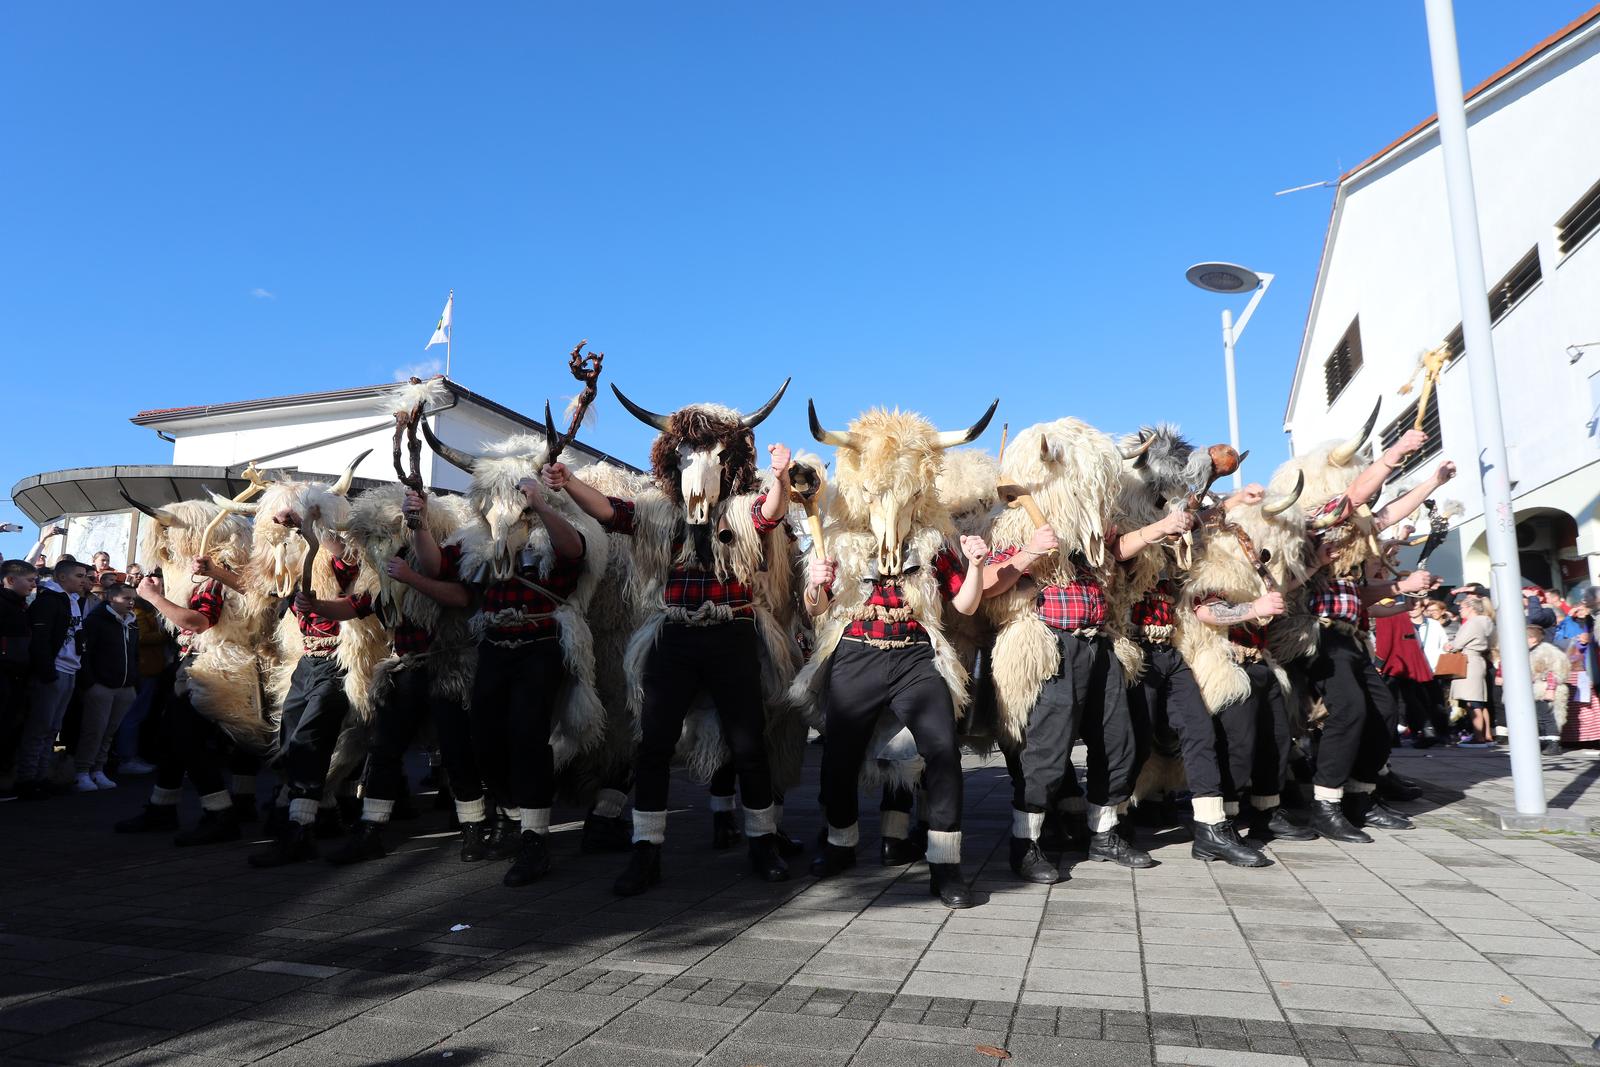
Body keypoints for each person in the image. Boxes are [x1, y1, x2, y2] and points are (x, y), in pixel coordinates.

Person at [16, 558, 91, 799]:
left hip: (69, 670)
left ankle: (41, 776)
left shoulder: (73, 601)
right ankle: (27, 779)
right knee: (39, 727)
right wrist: (46, 670)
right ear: (62, 578)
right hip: (53, 671)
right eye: (79, 576)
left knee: (52, 728)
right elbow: (40, 640)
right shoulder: (48, 601)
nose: (84, 580)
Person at [74, 582, 140, 790]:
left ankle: (98, 769)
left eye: (133, 599)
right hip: (101, 685)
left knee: (110, 731)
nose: (131, 603)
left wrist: (133, 681)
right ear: (111, 598)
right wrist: (91, 683)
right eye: (126, 598)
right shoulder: (96, 621)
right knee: (94, 730)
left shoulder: (132, 622)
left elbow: (134, 654)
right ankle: (82, 772)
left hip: (125, 686)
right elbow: (86, 653)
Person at [1, 559, 39, 798]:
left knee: (10, 728)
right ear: (11, 580)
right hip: (4, 675)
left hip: (16, 676)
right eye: (30, 580)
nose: (34, 586)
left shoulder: (21, 606)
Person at [1449, 595, 1495, 747]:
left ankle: (1478, 737)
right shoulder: (1487, 622)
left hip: (1468, 661)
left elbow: (1457, 644)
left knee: (1472, 702)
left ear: (1471, 608)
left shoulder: (1472, 623)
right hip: (1480, 660)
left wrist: (1448, 645)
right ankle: (1487, 735)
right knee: (1480, 700)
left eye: (1461, 607)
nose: (1460, 610)